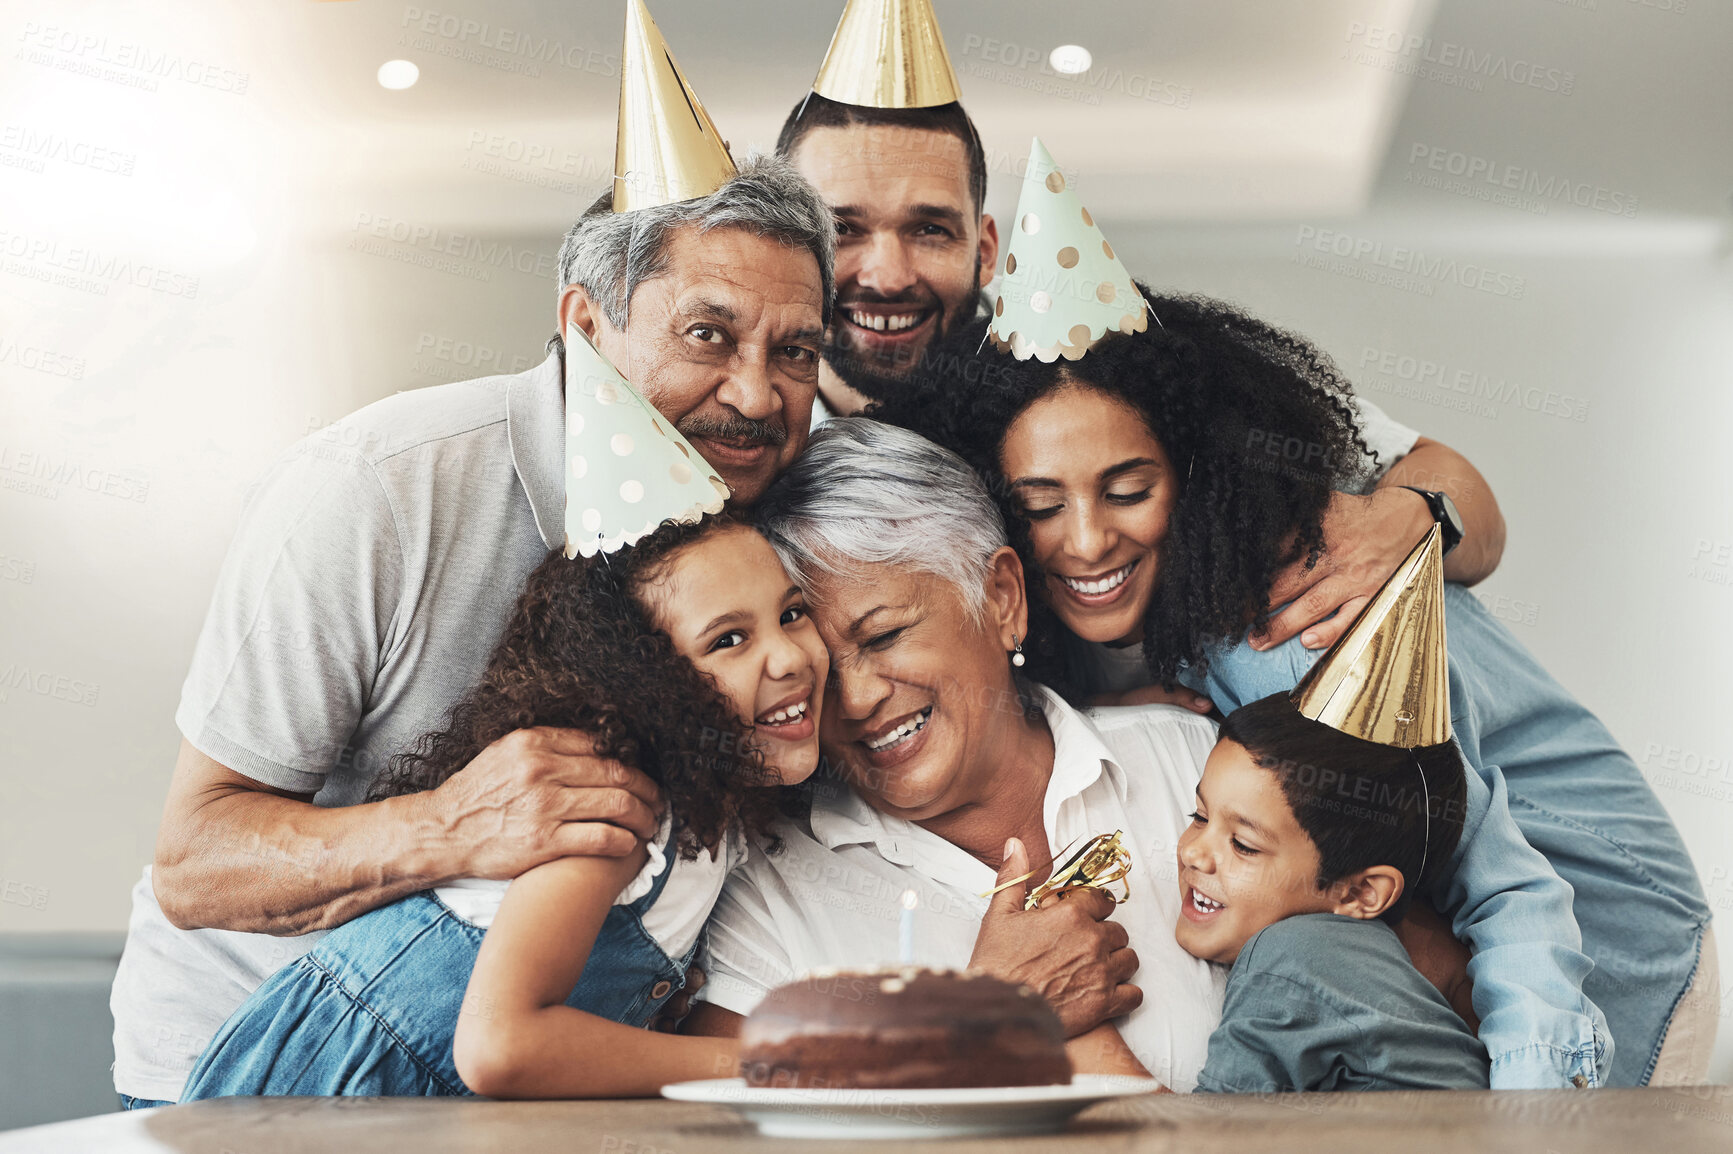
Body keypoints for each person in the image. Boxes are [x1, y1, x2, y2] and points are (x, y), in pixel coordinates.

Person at [108, 7, 840, 1105]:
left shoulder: (767, 512)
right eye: (706, 333)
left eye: (794, 351)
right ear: (586, 328)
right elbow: (196, 861)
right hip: (255, 1079)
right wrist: (449, 824)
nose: (754, 392)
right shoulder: (378, 490)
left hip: (537, 1076)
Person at [884, 283, 1717, 1086]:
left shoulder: (1290, 632)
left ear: (1194, 474)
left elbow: (1510, 887)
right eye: (1039, 506)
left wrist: (1540, 1109)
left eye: (1128, 491)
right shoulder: (1081, 635)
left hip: (1607, 937)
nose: (1087, 540)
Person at [683, 418, 1585, 1094]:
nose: (851, 696)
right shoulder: (767, 889)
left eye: (882, 636)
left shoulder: (1201, 769)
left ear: (1001, 598)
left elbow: (1429, 1026)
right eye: (808, 655)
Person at [779, 12, 1506, 659]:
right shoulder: (748, 436)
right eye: (842, 229)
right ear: (790, 242)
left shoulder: (1103, 365)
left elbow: (1474, 510)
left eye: (928, 229)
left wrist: (1412, 516)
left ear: (984, 246)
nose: (887, 271)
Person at [178, 498, 826, 1098]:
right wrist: (767, 1064)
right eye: (728, 640)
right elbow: (501, 1047)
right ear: (644, 679)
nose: (789, 657)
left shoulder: (711, 826)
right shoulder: (607, 813)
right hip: (312, 1106)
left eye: (791, 613)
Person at [1177, 521, 1489, 1094]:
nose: (1195, 852)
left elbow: (1206, 1137)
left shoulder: (1293, 955)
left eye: (1243, 843)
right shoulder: (1375, 957)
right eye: (1198, 816)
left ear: (1359, 893)